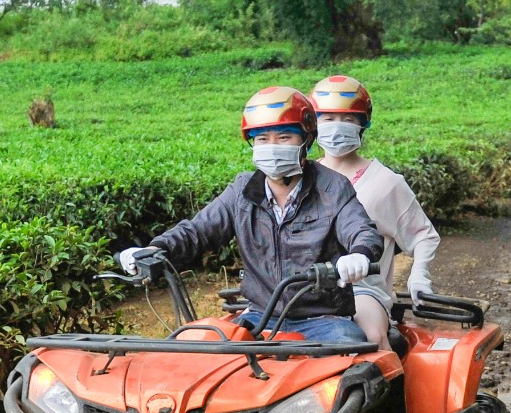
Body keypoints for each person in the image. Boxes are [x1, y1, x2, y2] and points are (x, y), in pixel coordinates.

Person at [117, 85, 382, 345]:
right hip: (259, 316)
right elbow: (197, 231)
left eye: (284, 137)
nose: (272, 146)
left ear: (306, 141)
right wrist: (154, 249)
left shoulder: (332, 187)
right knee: (204, 352)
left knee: (350, 352)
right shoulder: (242, 191)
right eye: (262, 139)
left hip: (322, 319)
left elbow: (360, 228)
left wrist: (359, 254)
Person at [309, 74, 442, 350]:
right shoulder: (301, 178)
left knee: (371, 339)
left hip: (361, 291)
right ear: (313, 124)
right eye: (328, 119)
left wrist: (419, 274)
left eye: (347, 119)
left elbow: (423, 235)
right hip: (304, 288)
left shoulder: (386, 183)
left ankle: (391, 391)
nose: (337, 127)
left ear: (362, 124)